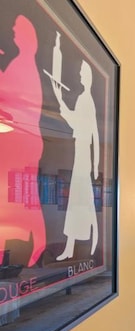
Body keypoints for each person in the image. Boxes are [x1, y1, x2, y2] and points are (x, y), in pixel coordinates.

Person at [0, 15, 47, 267]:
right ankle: (32, 244)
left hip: (23, 141)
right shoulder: (23, 64)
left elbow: (9, 98)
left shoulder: (23, 65)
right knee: (26, 198)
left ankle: (34, 244)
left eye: (17, 29)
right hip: (27, 142)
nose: (14, 32)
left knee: (23, 198)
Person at [50, 60, 100, 261]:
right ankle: (79, 243)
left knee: (81, 199)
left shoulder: (85, 99)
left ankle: (84, 241)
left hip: (82, 152)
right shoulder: (84, 98)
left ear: (87, 77)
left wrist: (96, 164)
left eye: (81, 73)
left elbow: (92, 130)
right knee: (81, 200)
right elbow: (87, 128)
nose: (80, 76)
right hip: (82, 151)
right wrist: (61, 103)